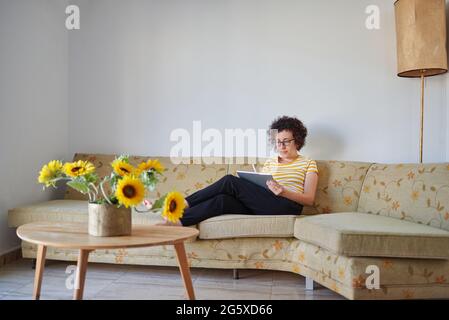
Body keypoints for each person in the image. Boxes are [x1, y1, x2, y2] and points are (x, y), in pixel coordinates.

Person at [163, 115, 319, 226]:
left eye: (286, 141)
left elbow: (309, 199)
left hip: (286, 207)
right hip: (263, 204)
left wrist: (283, 192)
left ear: (297, 140)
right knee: (222, 200)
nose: (281, 146)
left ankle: (184, 202)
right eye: (278, 142)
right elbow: (261, 189)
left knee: (229, 181)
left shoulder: (308, 163)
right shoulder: (271, 162)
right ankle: (178, 221)